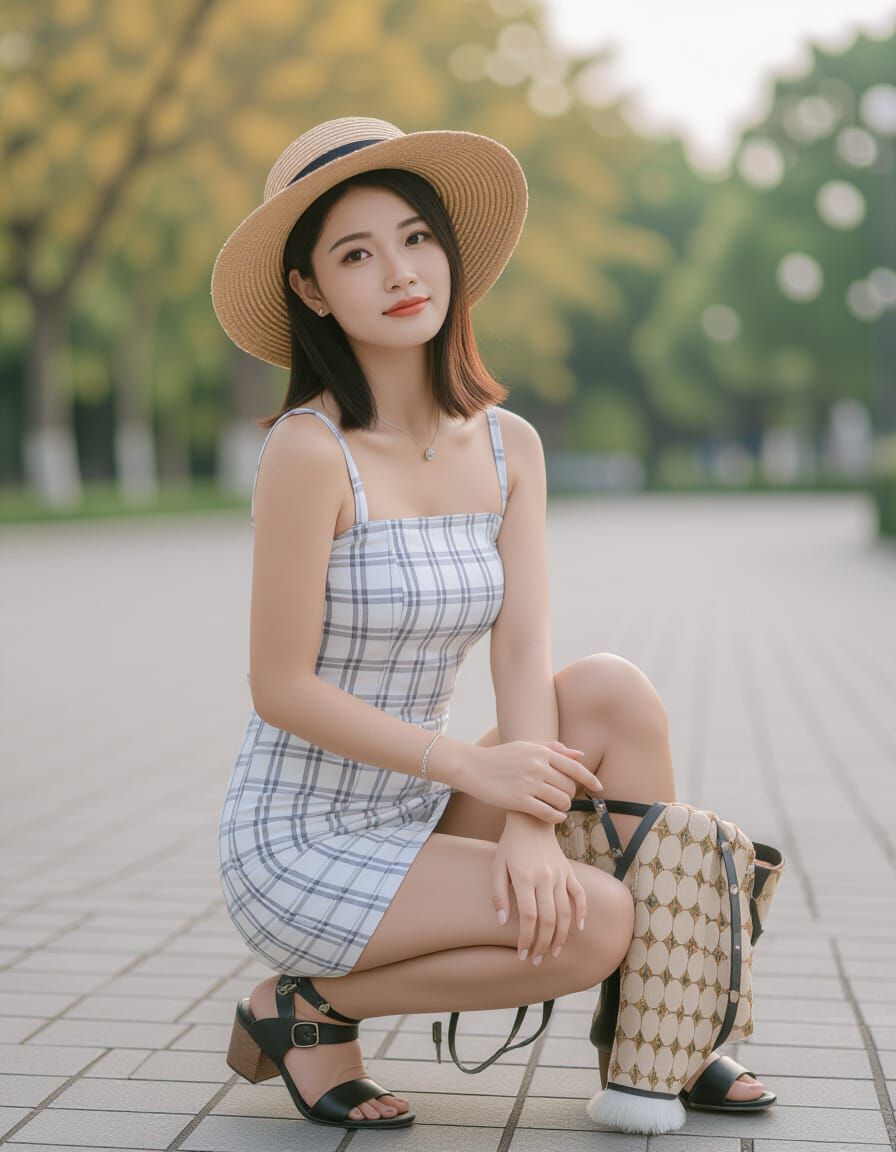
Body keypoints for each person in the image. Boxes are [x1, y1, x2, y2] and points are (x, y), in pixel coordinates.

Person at [210, 116, 773, 1131]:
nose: (398, 270)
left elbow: (521, 648)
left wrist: (524, 823)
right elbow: (279, 688)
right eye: (355, 253)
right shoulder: (307, 452)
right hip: (300, 841)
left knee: (610, 693)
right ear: (309, 290)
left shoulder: (509, 445)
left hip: (419, 814)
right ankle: (302, 1011)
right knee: (595, 919)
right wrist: (476, 773)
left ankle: (669, 1024)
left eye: (416, 236)